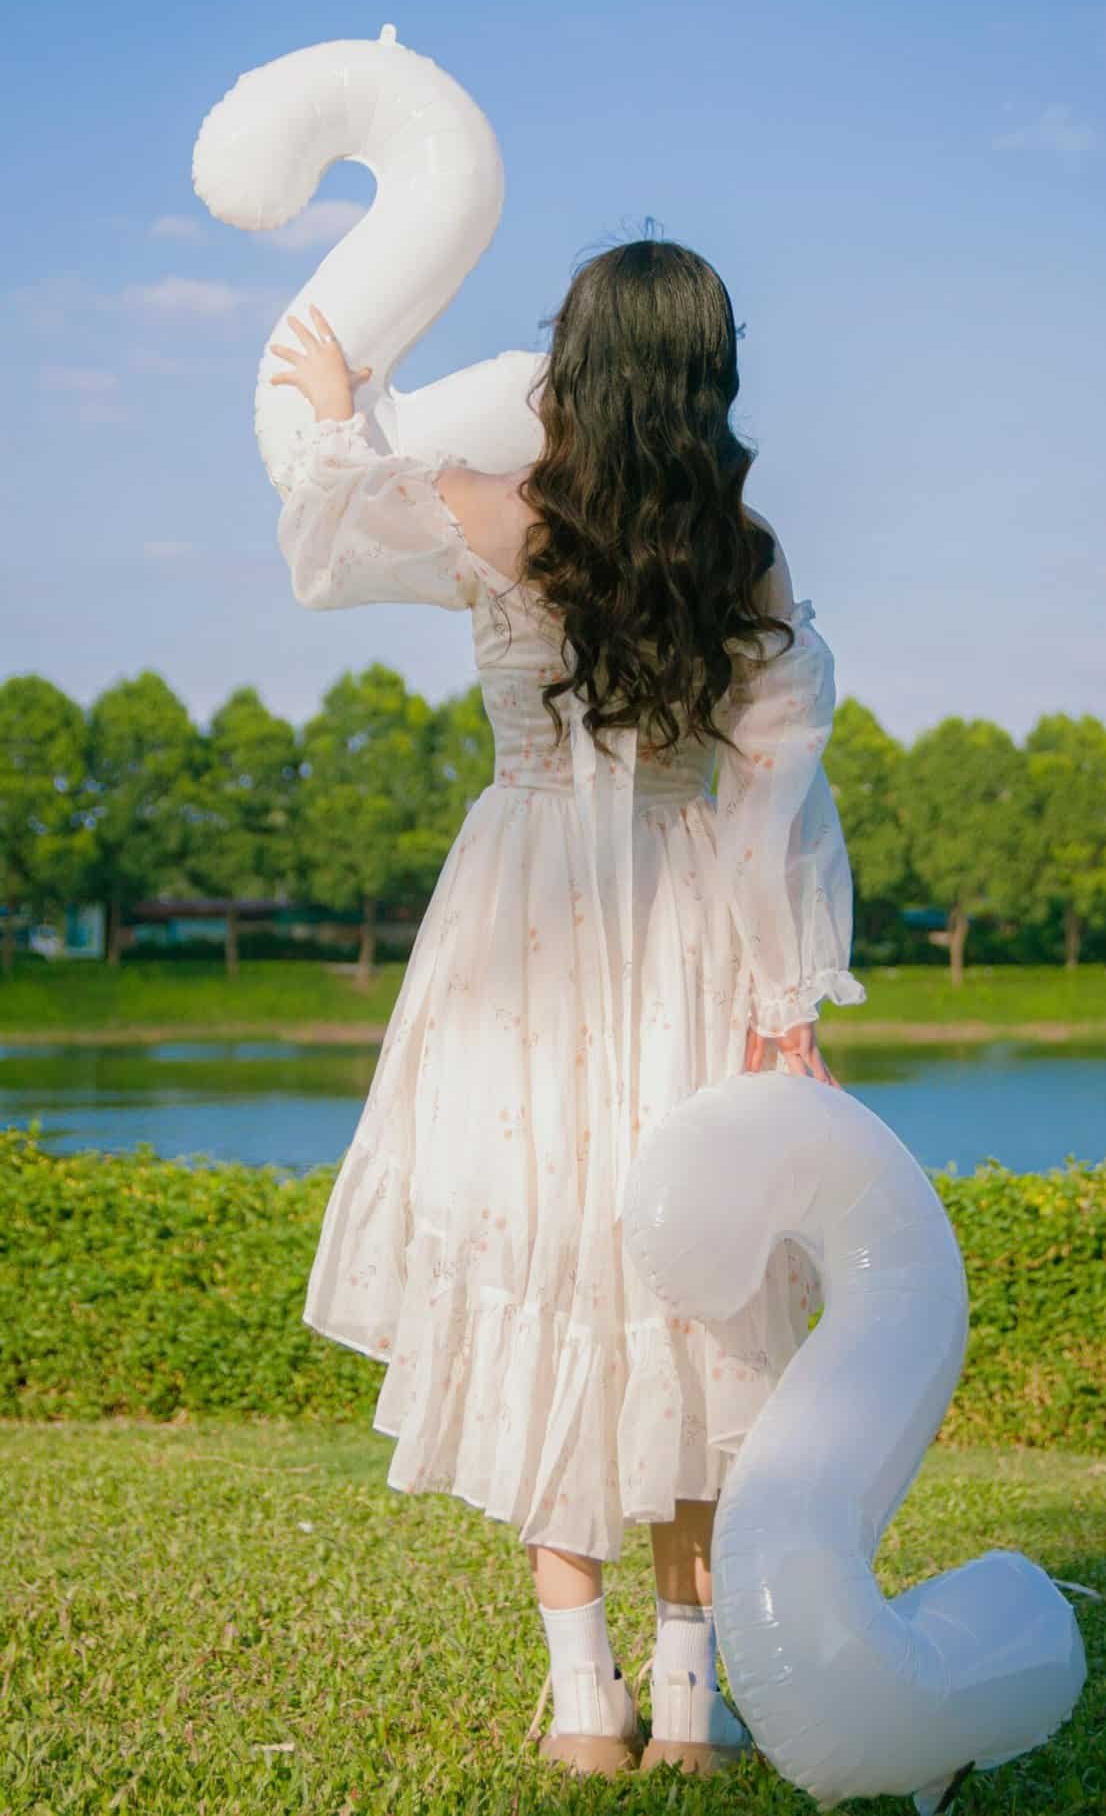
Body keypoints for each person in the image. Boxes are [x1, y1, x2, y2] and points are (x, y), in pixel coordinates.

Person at [266, 240, 867, 1777]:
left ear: (575, 367)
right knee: (691, 1294)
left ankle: (583, 1699)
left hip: (526, 933)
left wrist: (337, 400)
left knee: (545, 1248)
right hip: (685, 940)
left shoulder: (494, 509)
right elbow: (773, 792)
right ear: (710, 376)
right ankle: (688, 1704)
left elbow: (328, 522)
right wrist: (782, 992)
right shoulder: (746, 554)